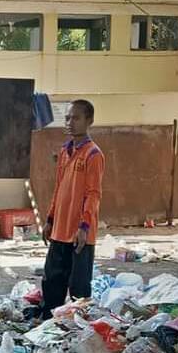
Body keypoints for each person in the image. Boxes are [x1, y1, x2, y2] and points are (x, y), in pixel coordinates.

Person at [36, 99, 105, 319]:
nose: (70, 122)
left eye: (75, 118)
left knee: (79, 289)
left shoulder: (93, 155)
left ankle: (77, 330)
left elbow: (93, 194)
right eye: (67, 118)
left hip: (79, 235)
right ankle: (47, 325)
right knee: (52, 283)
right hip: (59, 231)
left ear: (89, 121)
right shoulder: (65, 151)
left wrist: (84, 226)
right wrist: (50, 219)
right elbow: (58, 188)